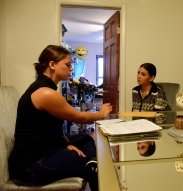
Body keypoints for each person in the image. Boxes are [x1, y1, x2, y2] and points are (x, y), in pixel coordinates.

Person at [8, 45, 112, 191]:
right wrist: (101, 113)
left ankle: (91, 163)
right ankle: (91, 165)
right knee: (90, 165)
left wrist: (65, 143)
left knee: (86, 139)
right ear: (52, 64)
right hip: (30, 164)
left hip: (45, 148)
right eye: (67, 65)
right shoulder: (45, 93)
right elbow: (80, 118)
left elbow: (50, 127)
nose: (71, 69)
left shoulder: (47, 89)